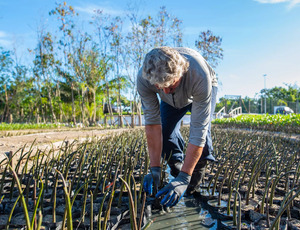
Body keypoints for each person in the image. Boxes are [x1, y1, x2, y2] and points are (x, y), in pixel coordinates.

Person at [137, 46, 218, 208]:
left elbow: (198, 132)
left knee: (205, 140)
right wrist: (155, 167)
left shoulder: (199, 75)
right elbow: (153, 125)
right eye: (160, 88)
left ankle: (190, 183)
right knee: (165, 133)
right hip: (170, 101)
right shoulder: (144, 78)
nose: (166, 91)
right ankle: (176, 168)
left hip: (197, 91)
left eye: (170, 86)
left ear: (181, 73)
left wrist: (185, 177)